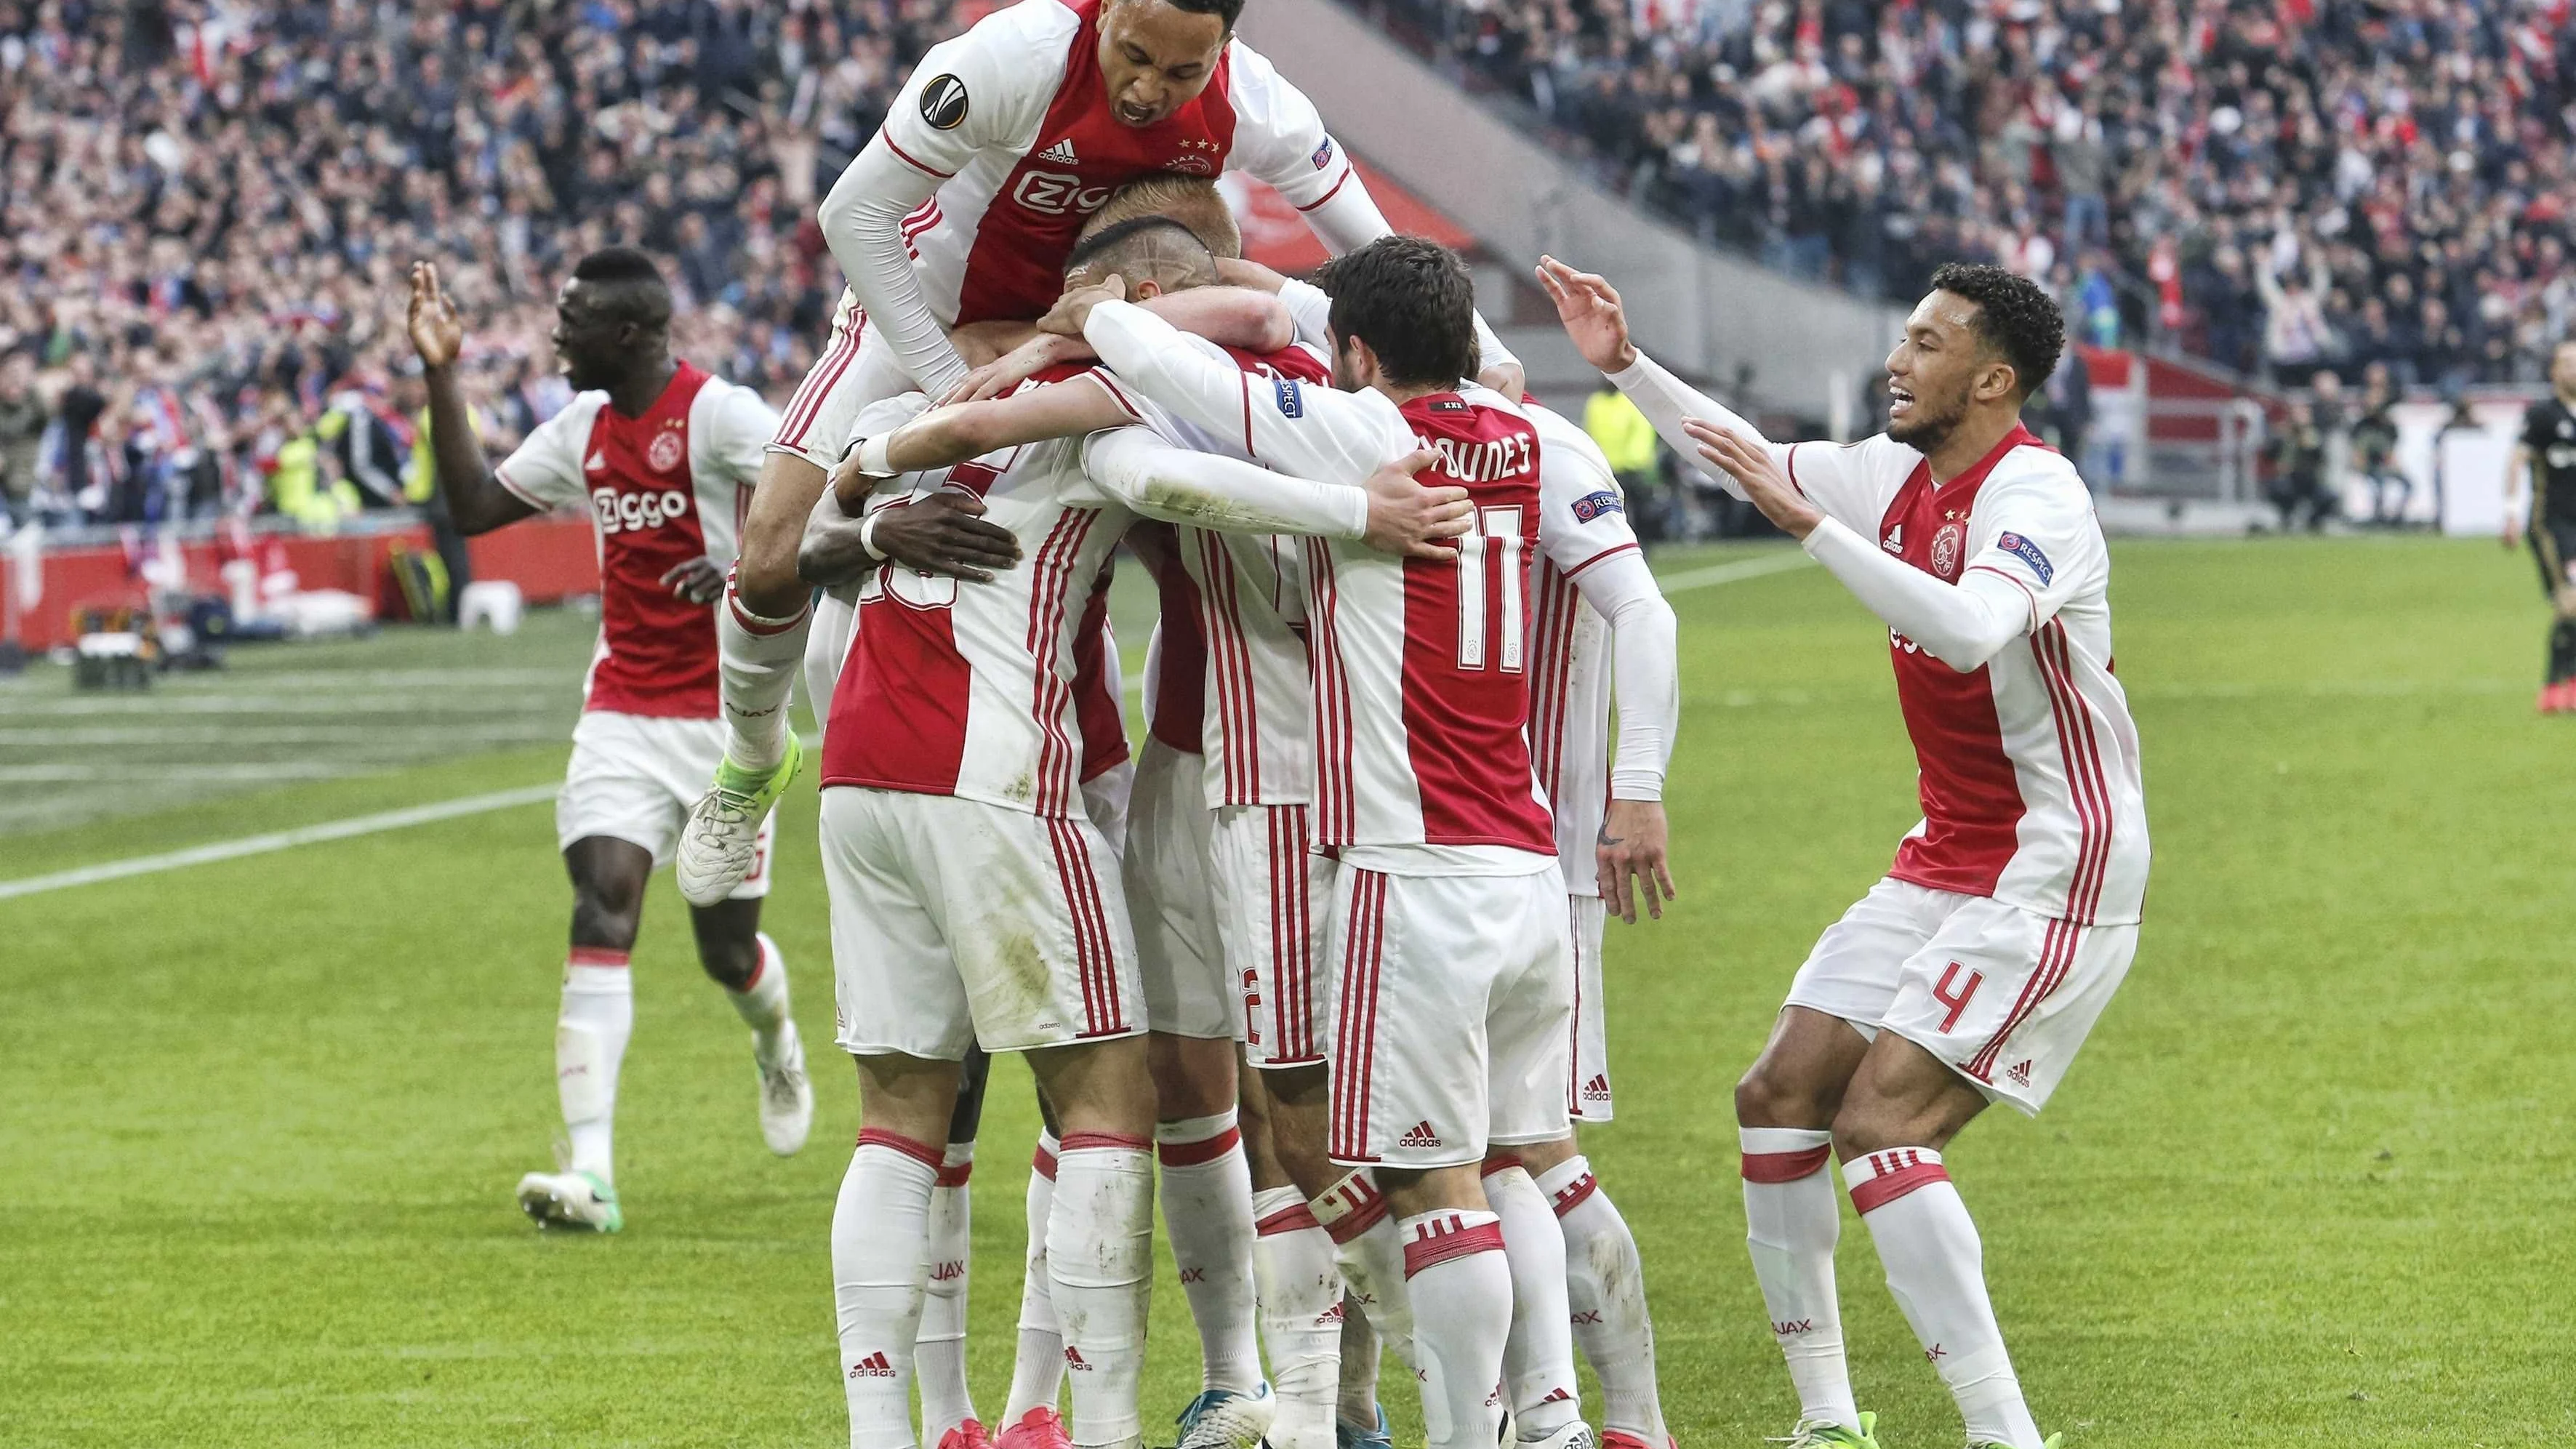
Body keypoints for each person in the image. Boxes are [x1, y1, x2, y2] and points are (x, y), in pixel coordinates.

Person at [820, 202, 1473, 1449]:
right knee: (1169, 1090)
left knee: (1279, 1102)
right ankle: (1230, 1387)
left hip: (1291, 780)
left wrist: (865, 479)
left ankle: (1357, 1395)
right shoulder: (1215, 375)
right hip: (1158, 771)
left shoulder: (1186, 377)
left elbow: (1158, 428)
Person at [682, 0, 1522, 911]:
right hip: (918, 321)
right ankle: (751, 763)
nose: (1149, 91)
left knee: (1192, 553)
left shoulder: (1262, 105)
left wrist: (1493, 359)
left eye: (1183, 73)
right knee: (770, 558)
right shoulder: (1013, 58)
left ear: (1226, 49)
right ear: (1106, 10)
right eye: (1134, 57)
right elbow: (854, 212)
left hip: (1091, 334)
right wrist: (941, 376)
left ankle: (1184, 808)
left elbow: (1375, 246)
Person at [1541, 254, 2147, 1449]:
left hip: (2054, 863)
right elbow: (1746, 454)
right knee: (1776, 1094)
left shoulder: (2038, 500)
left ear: (1992, 378)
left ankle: (2001, 1432)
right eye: (1903, 335)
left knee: (1882, 1121)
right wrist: (1628, 366)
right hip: (1942, 856)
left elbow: (1972, 630)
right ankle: (1826, 1419)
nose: (1895, 357)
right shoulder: (1896, 476)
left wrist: (1813, 525)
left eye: (1925, 342)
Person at [1065, 235, 1596, 1449]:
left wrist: (1102, 309)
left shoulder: (1358, 433)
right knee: (1505, 1152)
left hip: (1401, 856)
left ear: (1356, 353)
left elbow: (1159, 394)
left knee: (1381, 1152)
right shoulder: (1518, 436)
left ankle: (1450, 1416)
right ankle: (1545, 1412)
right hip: (1521, 855)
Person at [406, 249, 817, 1232]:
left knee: (725, 950)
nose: (555, 335)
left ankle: (774, 1039)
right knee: (603, 905)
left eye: (573, 319)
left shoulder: (719, 414)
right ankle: (590, 1174)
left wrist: (736, 564)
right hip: (621, 714)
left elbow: (827, 497)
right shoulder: (583, 429)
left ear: (629, 333)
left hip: (728, 724)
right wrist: (439, 371)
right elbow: (470, 510)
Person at [1512, 396, 1682, 1449]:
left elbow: (1642, 608)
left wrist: (1635, 788)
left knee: (1527, 1151)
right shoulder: (1362, 426)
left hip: (1541, 852)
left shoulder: (1543, 444)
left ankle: (1620, 1421)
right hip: (1403, 857)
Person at [2505, 340, 2576, 713]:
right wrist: (2511, 512)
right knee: (2570, 604)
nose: (2574, 370)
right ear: (2554, 372)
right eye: (2566, 363)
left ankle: (2569, 685)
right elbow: (2517, 460)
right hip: (2551, 525)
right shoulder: (2542, 415)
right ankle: (2552, 687)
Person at [2260, 400, 2334, 533]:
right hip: (2289, 479)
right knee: (2279, 488)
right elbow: (2269, 455)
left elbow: (2320, 457)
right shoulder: (2284, 435)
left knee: (2329, 496)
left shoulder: (2314, 434)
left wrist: (2309, 438)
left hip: (2310, 480)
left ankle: (2314, 521)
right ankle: (2287, 518)